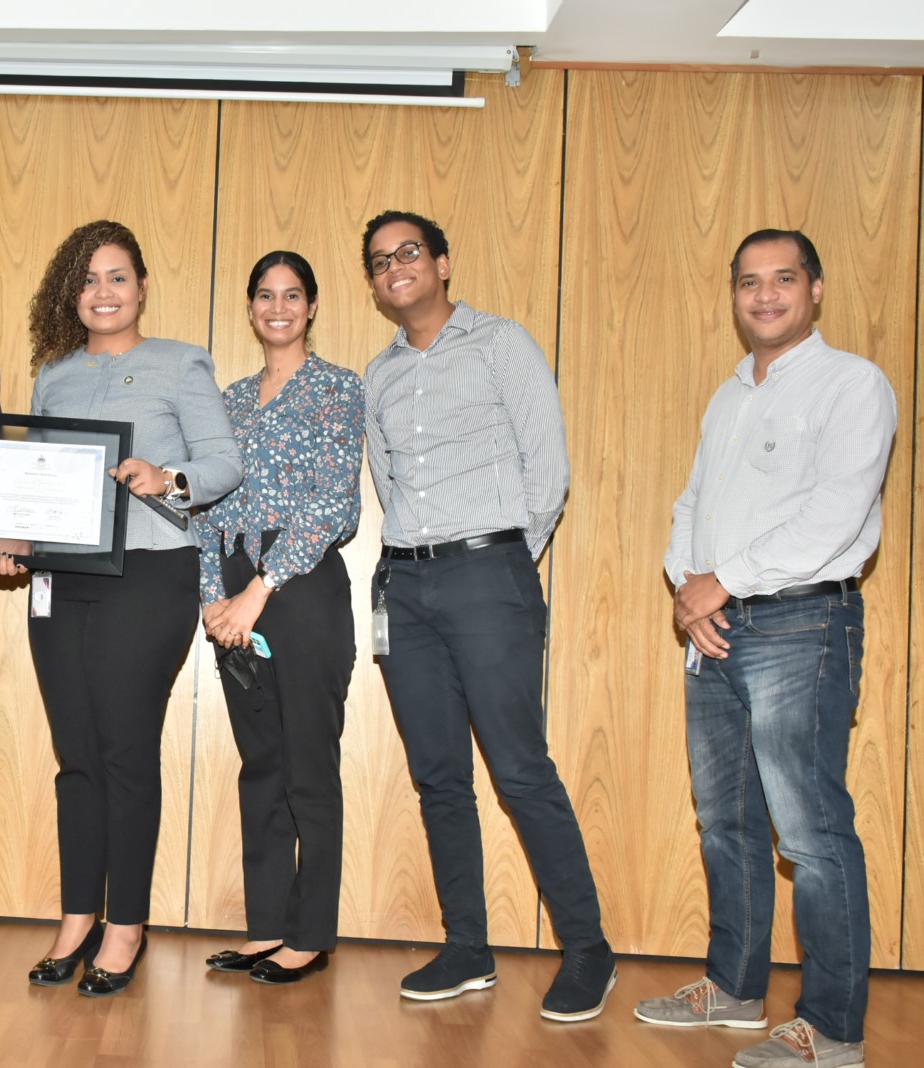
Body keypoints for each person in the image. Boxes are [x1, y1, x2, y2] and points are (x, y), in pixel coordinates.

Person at [635, 230, 894, 1068]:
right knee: (727, 824)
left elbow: (836, 515)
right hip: (714, 626)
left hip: (801, 626)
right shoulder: (728, 396)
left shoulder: (853, 384)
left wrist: (726, 580)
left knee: (811, 833)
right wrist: (687, 586)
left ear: (815, 289)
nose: (766, 295)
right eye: (750, 282)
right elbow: (692, 502)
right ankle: (736, 989)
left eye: (784, 280)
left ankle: (833, 1028)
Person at [361, 210, 616, 1020]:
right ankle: (467, 947)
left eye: (408, 252)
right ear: (374, 285)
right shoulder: (380, 375)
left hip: (490, 576)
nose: (395, 266)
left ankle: (588, 949)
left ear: (441, 261)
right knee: (439, 777)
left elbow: (549, 471)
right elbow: (387, 479)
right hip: (406, 584)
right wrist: (417, 567)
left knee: (519, 769)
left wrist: (503, 562)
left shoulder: (503, 343)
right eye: (379, 261)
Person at [12, 219, 241, 998]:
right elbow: (36, 476)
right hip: (60, 579)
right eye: (87, 280)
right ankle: (78, 916)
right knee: (76, 755)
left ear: (142, 286)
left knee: (124, 751)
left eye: (116, 277)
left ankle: (126, 926)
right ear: (70, 297)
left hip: (150, 572)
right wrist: (12, 534)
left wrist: (166, 477)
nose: (102, 292)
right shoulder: (53, 376)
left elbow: (222, 464)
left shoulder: (182, 364)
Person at [198, 251, 363, 985]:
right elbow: (203, 505)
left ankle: (311, 934)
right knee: (260, 764)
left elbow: (335, 503)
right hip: (233, 584)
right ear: (250, 305)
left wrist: (257, 590)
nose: (278, 307)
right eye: (265, 294)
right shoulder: (227, 401)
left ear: (312, 306)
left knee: (306, 765)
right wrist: (211, 595)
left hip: (297, 585)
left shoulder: (336, 389)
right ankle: (268, 927)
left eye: (292, 295)